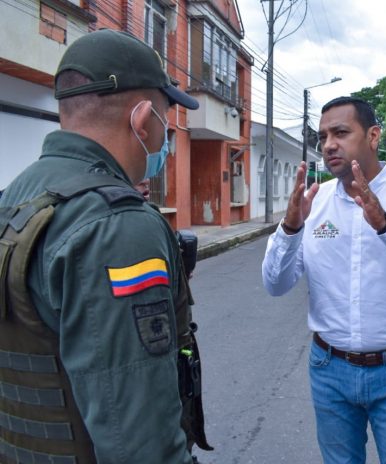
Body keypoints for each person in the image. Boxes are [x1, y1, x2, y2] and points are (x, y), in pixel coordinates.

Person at [0, 29, 212, 462]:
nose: (164, 138)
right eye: (165, 121)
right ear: (141, 119)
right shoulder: (118, 225)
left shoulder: (15, 196)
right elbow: (139, 439)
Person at [262, 96, 386, 463]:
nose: (328, 145)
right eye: (323, 136)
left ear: (373, 136)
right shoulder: (312, 201)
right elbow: (275, 284)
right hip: (328, 371)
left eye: (340, 132)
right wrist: (290, 227)